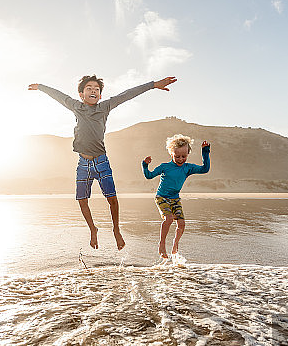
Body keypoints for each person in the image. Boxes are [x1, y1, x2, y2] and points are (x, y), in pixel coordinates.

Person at [28, 75, 177, 250]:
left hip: (101, 161)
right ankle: (93, 229)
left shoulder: (104, 107)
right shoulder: (76, 106)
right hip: (83, 163)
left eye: (97, 89)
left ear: (100, 95)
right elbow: (59, 96)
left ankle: (116, 229)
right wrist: (41, 87)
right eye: (89, 88)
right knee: (82, 200)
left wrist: (153, 85)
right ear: (81, 94)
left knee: (112, 199)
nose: (93, 91)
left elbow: (127, 94)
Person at [142, 134, 211, 258]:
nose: (180, 159)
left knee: (182, 223)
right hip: (162, 197)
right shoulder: (165, 167)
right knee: (168, 219)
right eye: (177, 156)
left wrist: (205, 152)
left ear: (188, 154)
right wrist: (145, 165)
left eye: (184, 156)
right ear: (171, 153)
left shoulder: (188, 168)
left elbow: (205, 169)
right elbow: (149, 176)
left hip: (175, 199)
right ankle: (162, 244)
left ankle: (175, 244)